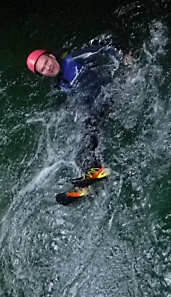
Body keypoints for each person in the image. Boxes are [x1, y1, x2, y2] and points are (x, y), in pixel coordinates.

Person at [27, 43, 120, 194]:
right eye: (43, 69)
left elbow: (104, 48)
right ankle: (87, 181)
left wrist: (125, 57)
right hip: (91, 106)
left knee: (90, 128)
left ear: (51, 56)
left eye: (46, 62)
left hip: (105, 93)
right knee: (80, 141)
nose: (48, 68)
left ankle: (98, 169)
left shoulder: (74, 59)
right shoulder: (58, 85)